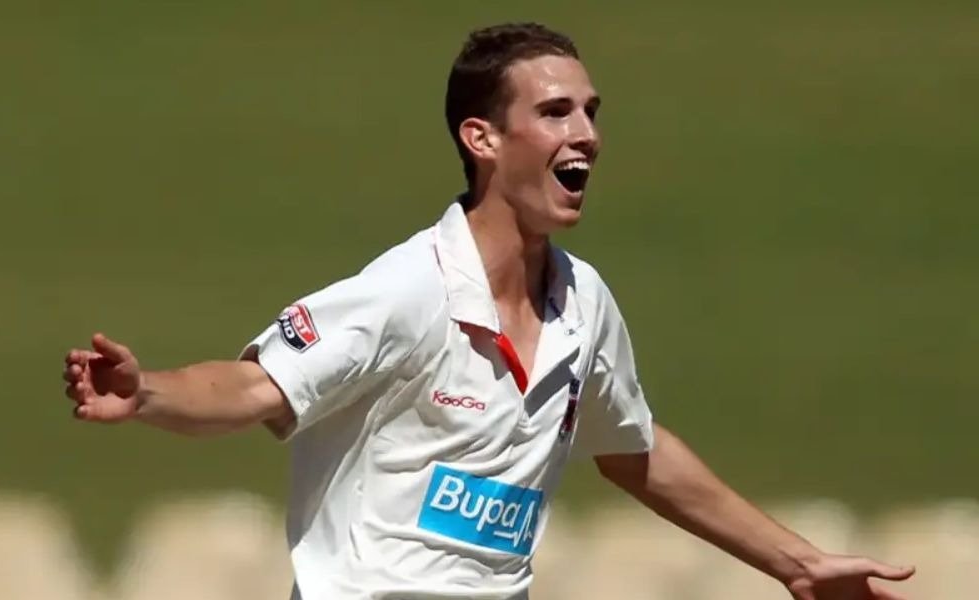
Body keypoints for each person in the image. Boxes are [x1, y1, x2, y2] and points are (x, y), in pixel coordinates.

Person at [61, 22, 914, 600]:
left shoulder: (584, 303)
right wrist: (150, 394)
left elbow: (635, 452)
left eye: (591, 112)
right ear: (483, 139)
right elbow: (251, 389)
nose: (586, 134)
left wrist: (797, 566)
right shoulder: (409, 289)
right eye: (554, 113)